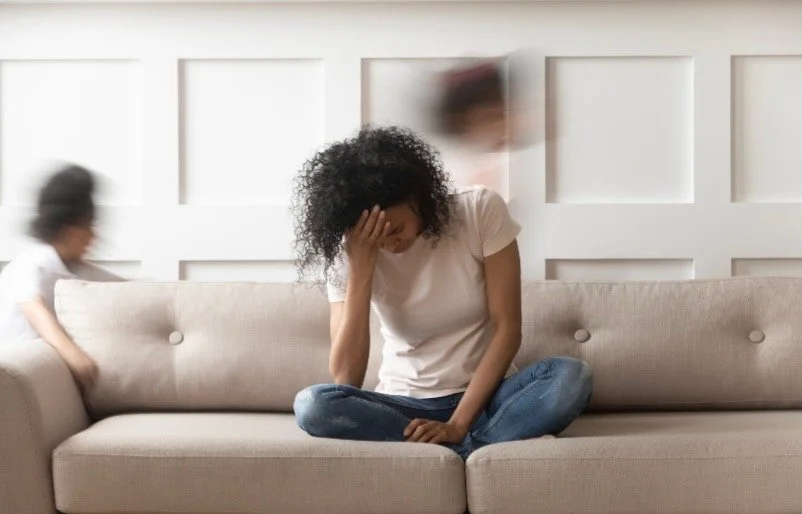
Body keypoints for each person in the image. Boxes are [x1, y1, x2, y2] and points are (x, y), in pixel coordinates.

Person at [292, 126, 592, 459]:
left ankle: (452, 447)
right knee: (312, 405)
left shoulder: (479, 210)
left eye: (396, 229)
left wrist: (458, 424)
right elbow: (345, 377)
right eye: (379, 238)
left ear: (417, 197)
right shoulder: (350, 253)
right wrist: (361, 268)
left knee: (571, 376)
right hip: (404, 408)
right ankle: (479, 447)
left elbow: (508, 331)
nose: (391, 244)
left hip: (490, 397)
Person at [0, 164, 123, 390]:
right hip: (17, 379)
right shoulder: (31, 264)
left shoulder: (76, 269)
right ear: (69, 230)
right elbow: (33, 308)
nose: (94, 236)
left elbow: (127, 289)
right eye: (89, 226)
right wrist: (76, 358)